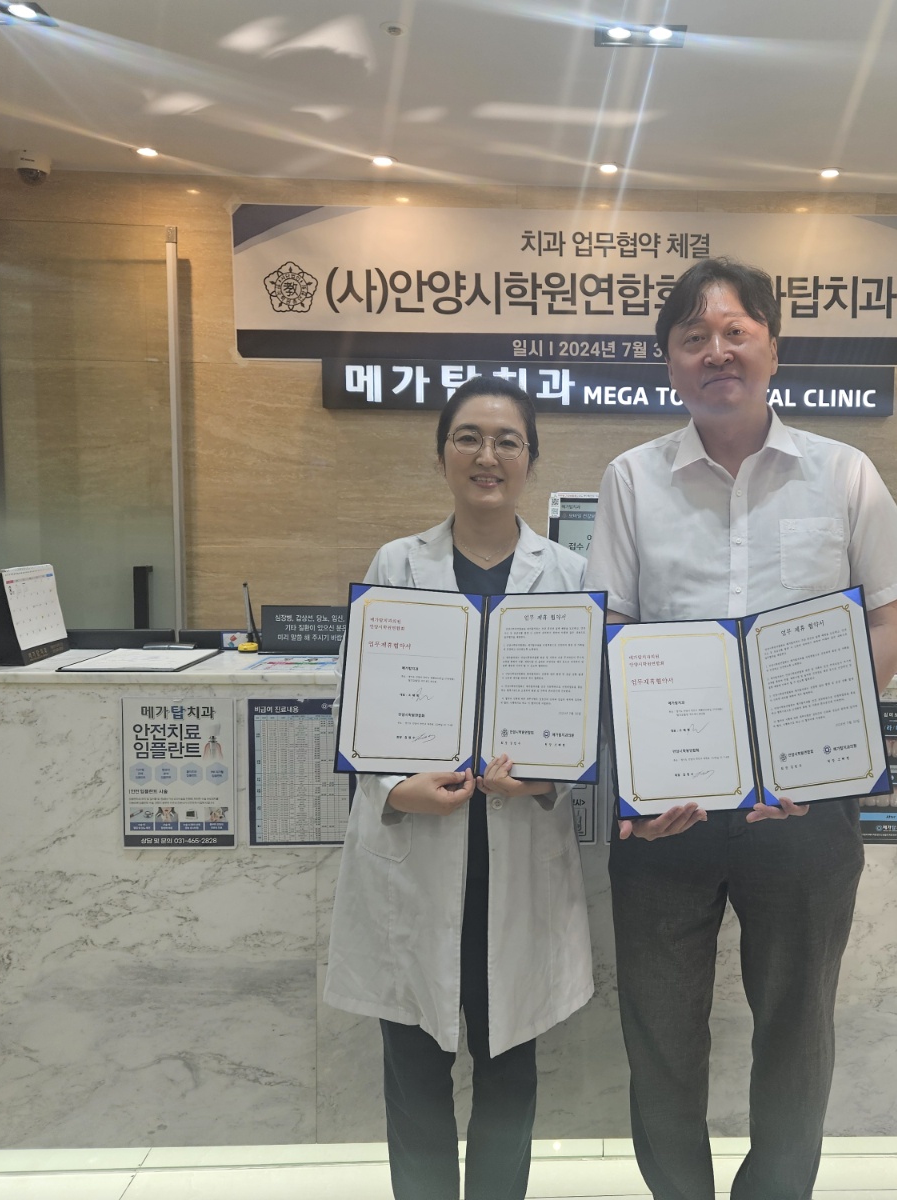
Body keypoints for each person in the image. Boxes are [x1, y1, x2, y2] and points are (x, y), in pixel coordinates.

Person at [584, 257, 897, 1200]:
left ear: (773, 348)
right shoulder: (631, 479)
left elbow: (892, 623)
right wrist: (640, 780)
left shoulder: (843, 472)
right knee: (660, 1034)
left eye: (735, 332)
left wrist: (804, 757)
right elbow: (609, 635)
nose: (717, 351)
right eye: (693, 337)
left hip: (806, 811)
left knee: (796, 1027)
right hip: (668, 815)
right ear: (670, 362)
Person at [325, 376, 593, 1200]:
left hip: (516, 859)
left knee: (508, 1070)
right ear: (441, 454)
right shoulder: (396, 564)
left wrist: (545, 780)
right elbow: (356, 710)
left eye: (508, 440)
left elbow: (588, 724)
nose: (488, 455)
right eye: (469, 437)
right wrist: (393, 791)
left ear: (531, 460)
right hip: (418, 852)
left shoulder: (570, 575)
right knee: (413, 1073)